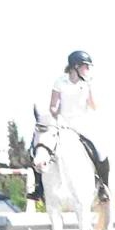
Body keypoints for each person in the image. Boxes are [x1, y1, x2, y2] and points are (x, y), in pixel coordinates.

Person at [32, 50, 101, 202]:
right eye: (85, 66)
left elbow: (93, 106)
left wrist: (90, 88)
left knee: (99, 152)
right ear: (75, 66)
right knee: (40, 148)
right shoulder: (60, 82)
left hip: (83, 125)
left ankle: (102, 186)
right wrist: (55, 114)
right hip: (63, 125)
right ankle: (39, 188)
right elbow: (53, 105)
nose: (87, 70)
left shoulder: (86, 83)